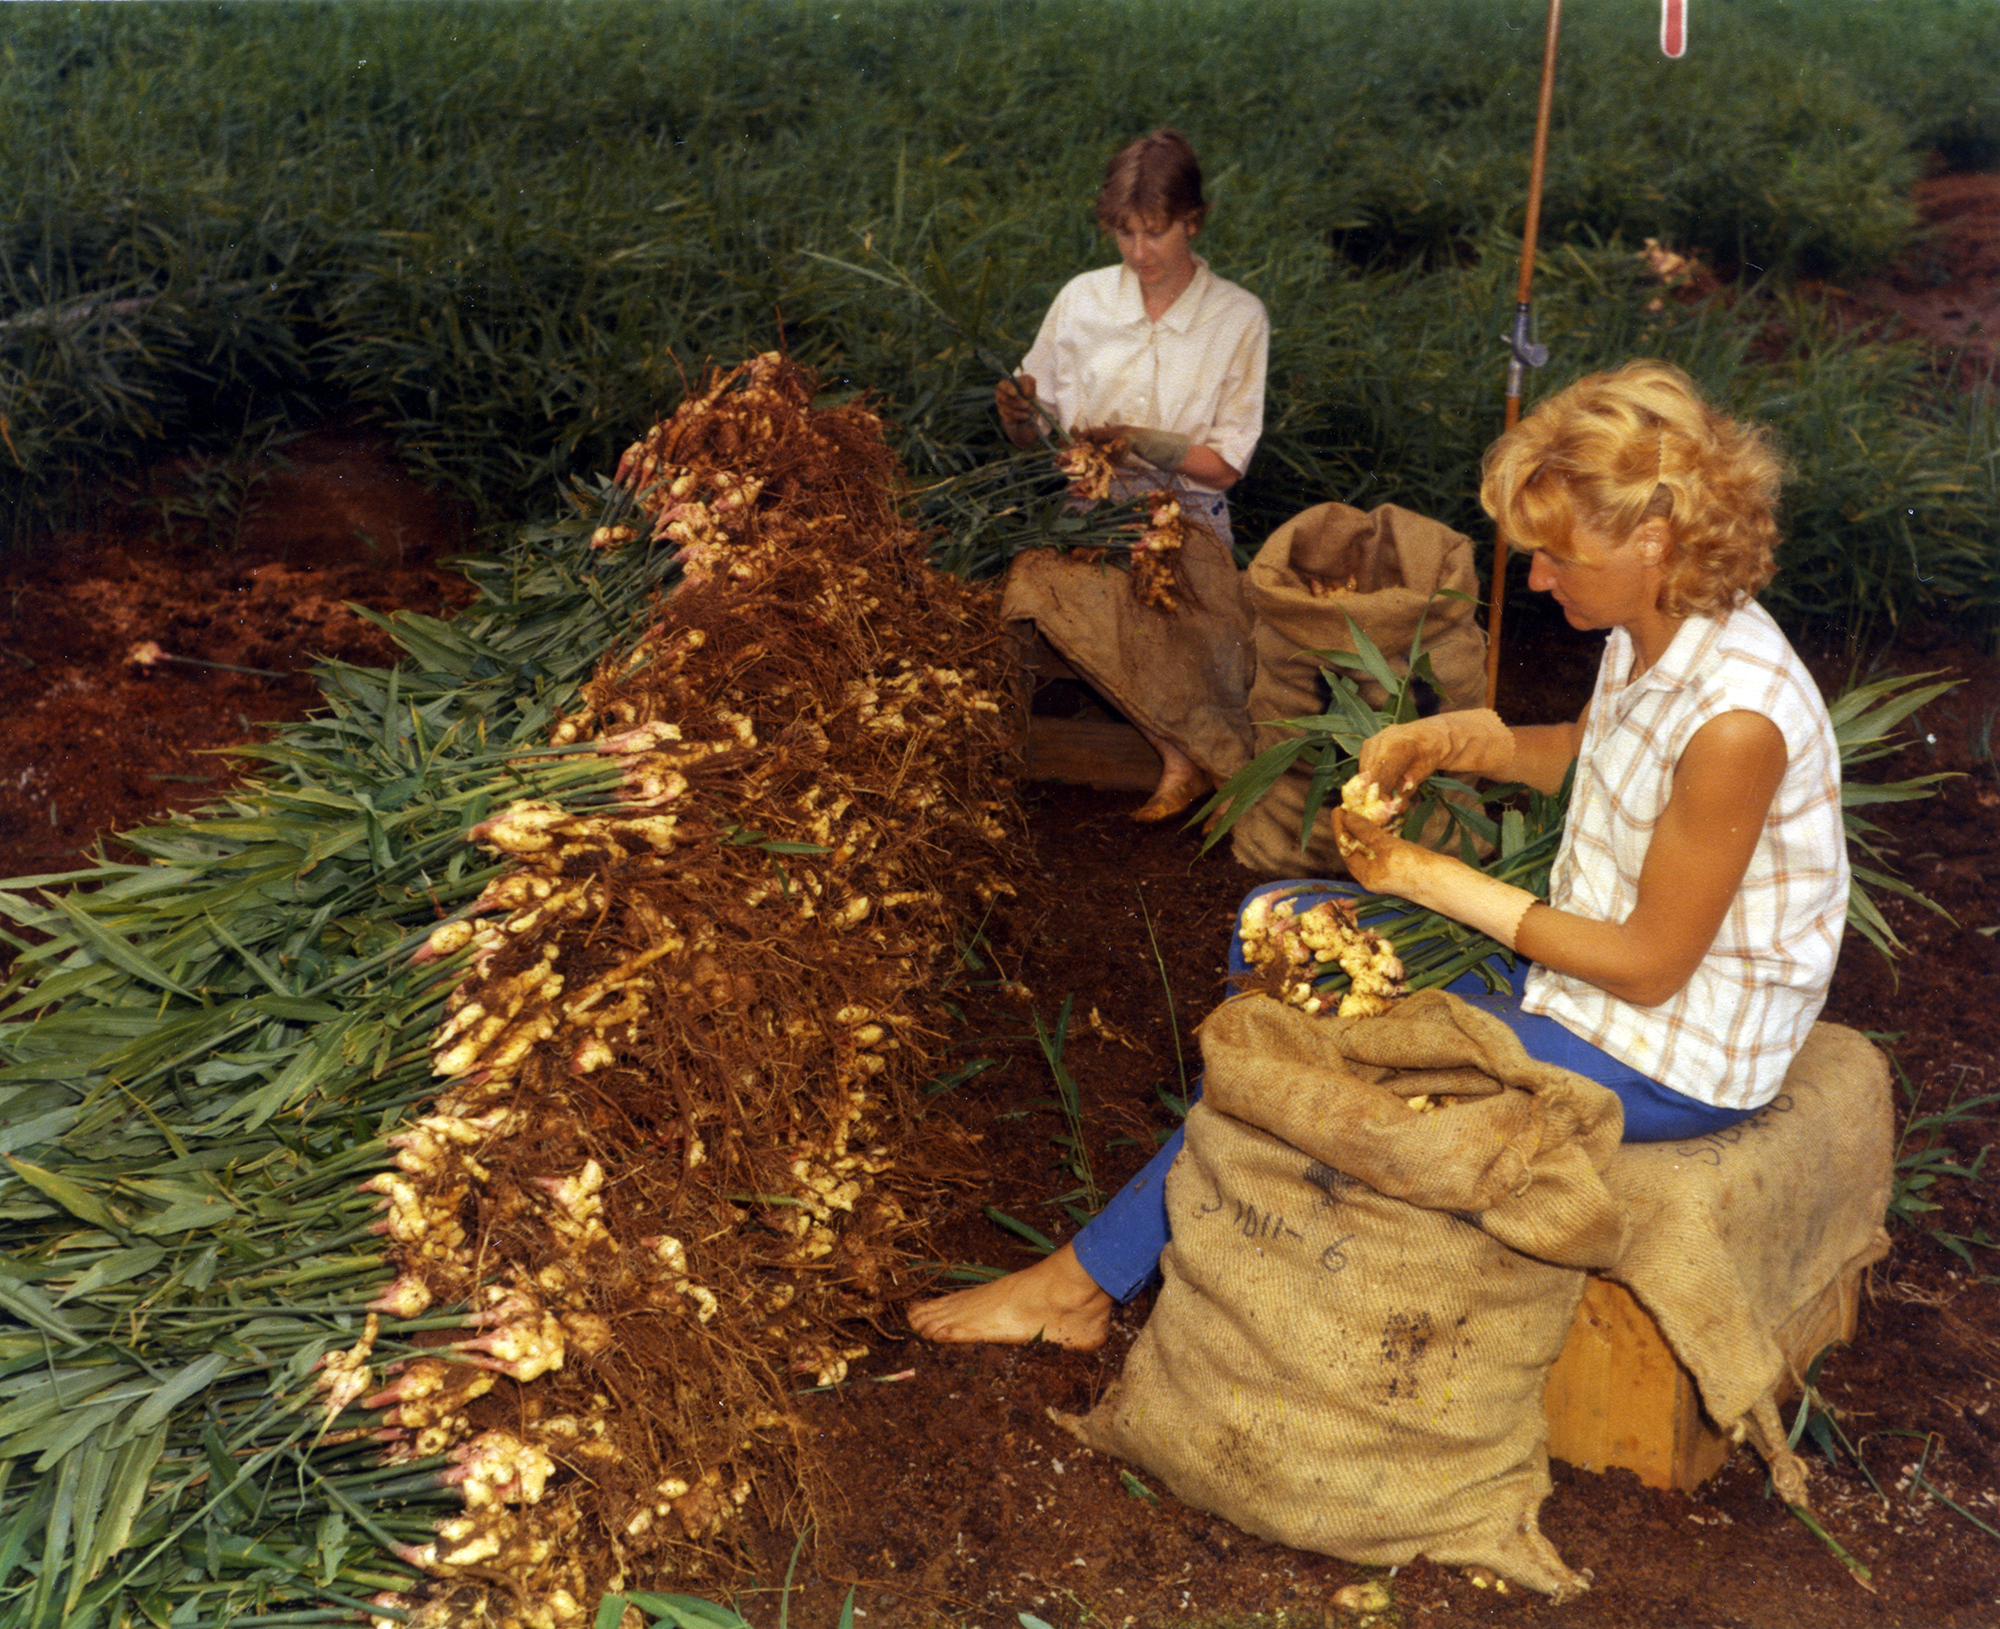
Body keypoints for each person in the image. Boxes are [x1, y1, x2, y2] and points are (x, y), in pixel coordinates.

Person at [911, 359, 1849, 1350]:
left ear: (1651, 541)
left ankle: (1084, 1285)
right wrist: (1453, 743)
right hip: (1581, 987)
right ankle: (1225, 1226)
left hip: (1667, 1053)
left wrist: (1426, 879)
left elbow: (1650, 968)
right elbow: (1598, 753)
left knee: (1321, 1044)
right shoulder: (1653, 628)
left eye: (1556, 557)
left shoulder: (1736, 723)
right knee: (1273, 927)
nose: (1535, 578)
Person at [997, 128, 1270, 823]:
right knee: (1042, 588)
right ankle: (1179, 753)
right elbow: (1037, 432)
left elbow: (1228, 466)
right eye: (1124, 233)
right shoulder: (1084, 300)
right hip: (1093, 509)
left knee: (1173, 608)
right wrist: (1019, 413)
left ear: (1193, 221)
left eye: (1156, 233)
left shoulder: (1236, 317)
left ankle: (1194, 755)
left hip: (1189, 513)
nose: (1140, 253)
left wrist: (1147, 443)